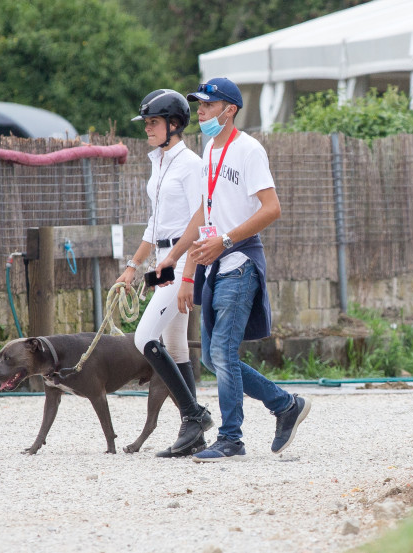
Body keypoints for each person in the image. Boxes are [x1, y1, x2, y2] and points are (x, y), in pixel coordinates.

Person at [156, 77, 311, 462]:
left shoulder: (249, 150)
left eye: (208, 105)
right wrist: (181, 263)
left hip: (239, 263)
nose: (201, 112)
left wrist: (225, 241)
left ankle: (231, 438)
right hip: (214, 265)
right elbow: (204, 214)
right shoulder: (209, 149)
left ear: (230, 110)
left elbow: (272, 208)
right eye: (200, 105)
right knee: (212, 356)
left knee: (221, 353)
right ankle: (284, 404)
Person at [116, 89, 213, 458]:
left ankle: (194, 414)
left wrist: (173, 259)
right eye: (147, 123)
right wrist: (131, 266)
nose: (147, 129)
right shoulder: (158, 162)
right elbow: (155, 223)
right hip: (162, 258)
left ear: (174, 124)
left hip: (183, 260)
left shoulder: (191, 164)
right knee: (174, 347)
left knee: (144, 338)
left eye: (153, 123)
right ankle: (194, 433)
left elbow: (200, 216)